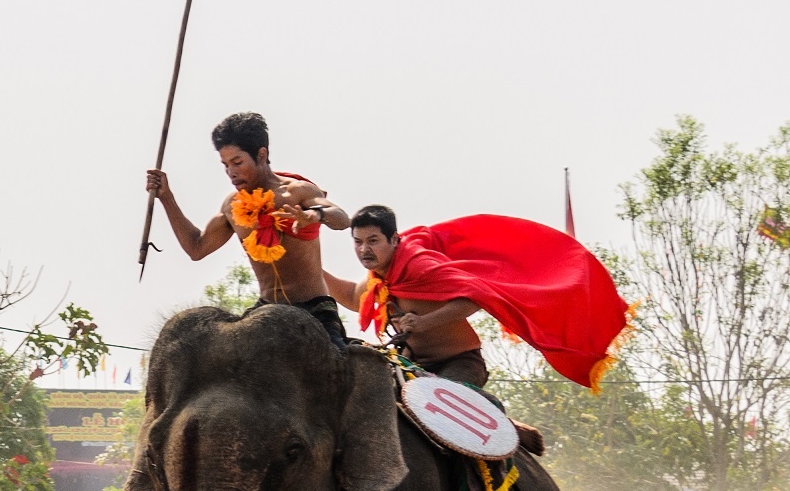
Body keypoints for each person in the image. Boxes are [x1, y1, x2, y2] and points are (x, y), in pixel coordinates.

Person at [328, 202, 629, 395]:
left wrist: (425, 322)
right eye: (358, 242)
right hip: (411, 363)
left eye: (373, 241)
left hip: (459, 363)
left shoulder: (419, 265)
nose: (364, 250)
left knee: (441, 407)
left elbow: (474, 297)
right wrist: (306, 266)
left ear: (394, 240)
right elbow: (353, 298)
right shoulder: (381, 278)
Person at [144, 110, 352, 343]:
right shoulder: (232, 206)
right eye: (225, 165)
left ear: (261, 155)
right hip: (265, 312)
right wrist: (167, 198)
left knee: (335, 367)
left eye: (237, 162)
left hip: (315, 310)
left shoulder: (297, 191)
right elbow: (196, 248)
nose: (231, 173)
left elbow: (342, 218)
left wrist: (314, 215)